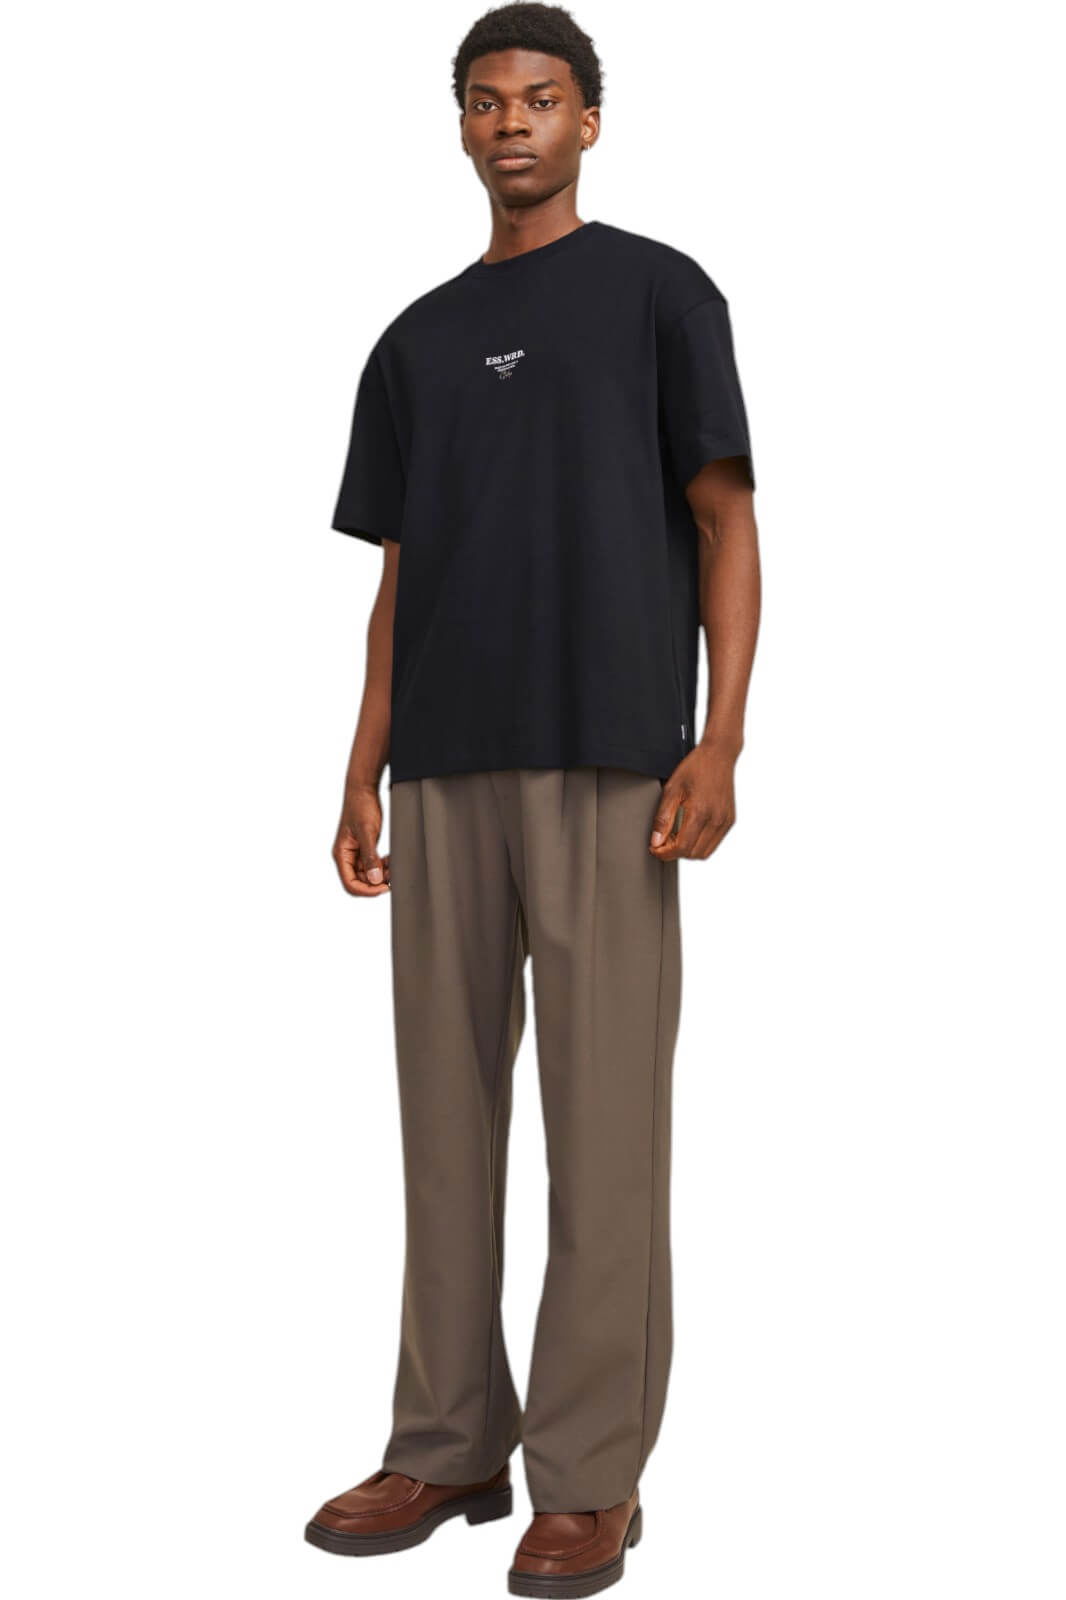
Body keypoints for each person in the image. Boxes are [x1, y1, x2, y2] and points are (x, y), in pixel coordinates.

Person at [304, 4, 761, 1593]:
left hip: (609, 753)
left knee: (603, 1129)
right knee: (442, 1127)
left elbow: (724, 520)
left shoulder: (658, 293)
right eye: (488, 100)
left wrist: (721, 737)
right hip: (440, 766)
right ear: (459, 126)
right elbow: (399, 575)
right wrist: (359, 764)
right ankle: (445, 1442)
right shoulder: (413, 340)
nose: (513, 122)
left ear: (588, 121)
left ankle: (589, 1476)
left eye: (542, 98)